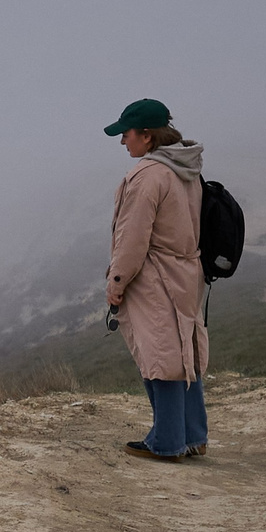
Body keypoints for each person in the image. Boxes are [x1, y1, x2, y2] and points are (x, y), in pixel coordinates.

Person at [103, 98, 209, 461]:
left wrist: (117, 282)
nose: (123, 142)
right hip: (187, 272)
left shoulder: (147, 176)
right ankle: (194, 435)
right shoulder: (187, 169)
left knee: (160, 356)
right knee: (184, 354)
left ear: (147, 137)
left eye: (127, 134)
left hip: (155, 276)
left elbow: (132, 239)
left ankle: (166, 442)